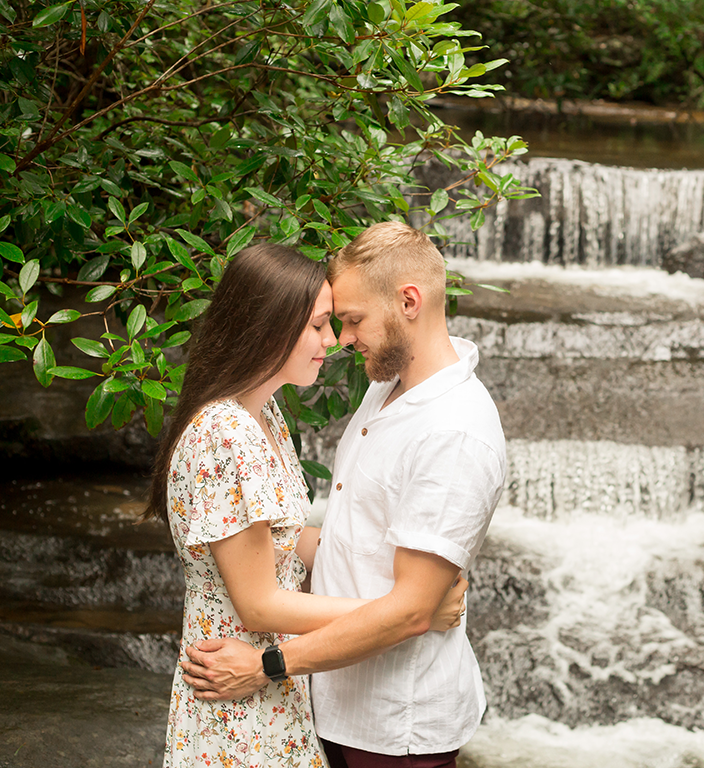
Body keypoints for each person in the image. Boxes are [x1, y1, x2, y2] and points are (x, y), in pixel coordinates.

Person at [181, 222, 507, 768]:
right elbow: (347, 537)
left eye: (352, 320)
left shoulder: (455, 432)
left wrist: (268, 665)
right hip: (326, 704)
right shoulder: (385, 387)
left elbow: (408, 615)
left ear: (409, 301)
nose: (342, 339)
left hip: (391, 725)